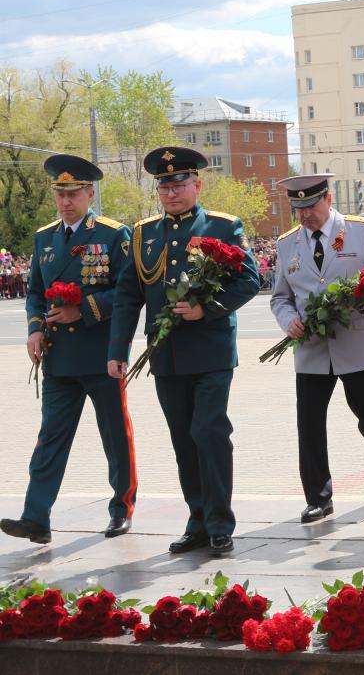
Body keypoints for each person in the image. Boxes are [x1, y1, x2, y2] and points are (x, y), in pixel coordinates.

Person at [107, 147, 261, 556]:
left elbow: (249, 280)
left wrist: (205, 309)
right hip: (167, 355)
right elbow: (127, 296)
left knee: (208, 433)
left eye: (179, 183)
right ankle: (197, 521)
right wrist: (117, 349)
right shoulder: (143, 234)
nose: (171, 191)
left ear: (197, 184)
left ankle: (219, 524)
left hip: (210, 352)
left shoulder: (223, 227)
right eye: (164, 185)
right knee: (183, 439)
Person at [1, 156, 137, 545]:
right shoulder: (45, 237)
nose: (65, 202)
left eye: (73, 193)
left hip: (101, 352)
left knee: (114, 434)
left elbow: (127, 293)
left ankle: (121, 508)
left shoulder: (113, 235)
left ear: (90, 194)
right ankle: (36, 516)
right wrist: (34, 329)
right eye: (59, 194)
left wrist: (85, 309)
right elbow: (34, 295)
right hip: (59, 357)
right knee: (51, 437)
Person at [270, 174, 364, 524]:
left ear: (328, 199)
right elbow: (281, 297)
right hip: (311, 347)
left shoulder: (361, 230)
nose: (305, 215)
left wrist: (357, 303)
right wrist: (289, 322)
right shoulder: (287, 244)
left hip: (357, 339)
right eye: (298, 209)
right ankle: (318, 496)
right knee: (309, 422)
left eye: (311, 206)